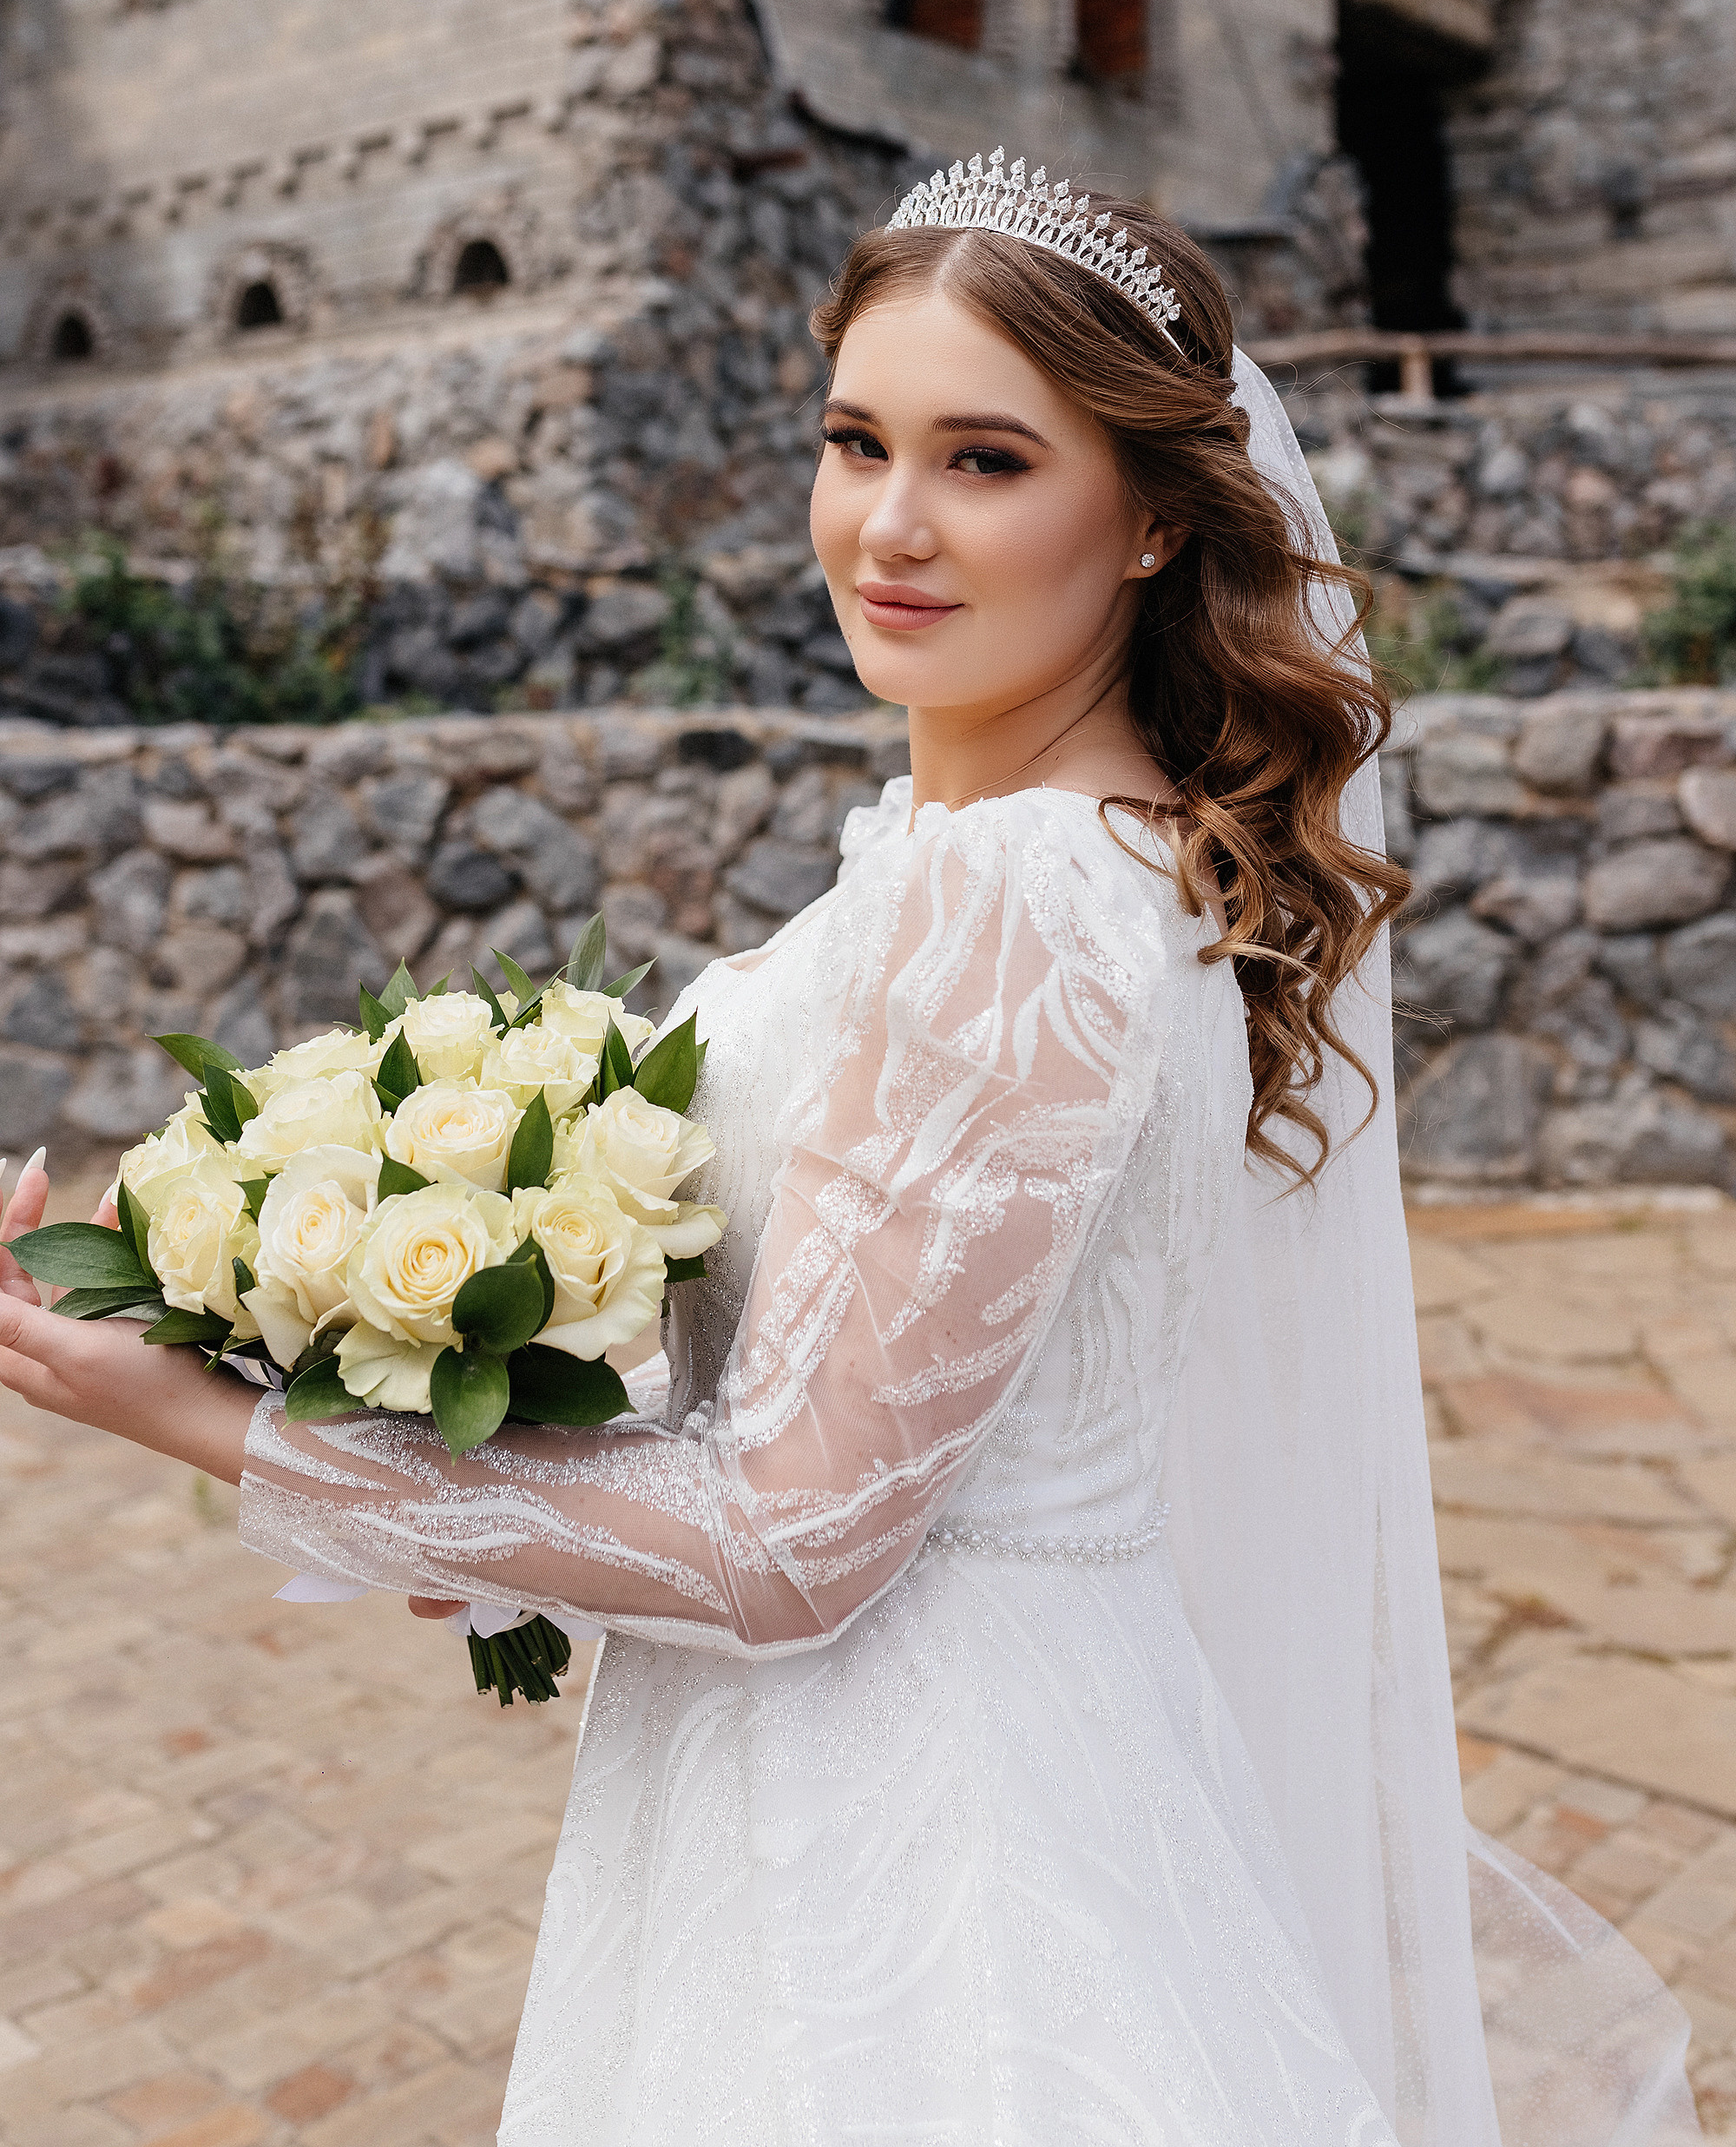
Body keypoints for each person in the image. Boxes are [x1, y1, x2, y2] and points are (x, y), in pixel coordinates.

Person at [0, 153, 1702, 2144]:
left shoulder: (1010, 912)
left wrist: (199, 1420)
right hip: (914, 1756)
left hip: (917, 1840)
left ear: (1153, 518)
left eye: (986, 461)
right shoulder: (1024, 864)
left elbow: (792, 1539)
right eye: (854, 440)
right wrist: (387, 1373)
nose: (888, 526)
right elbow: (834, 1387)